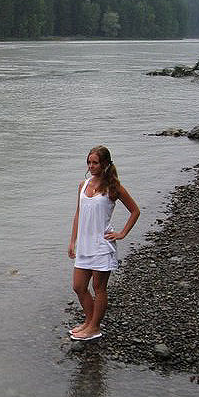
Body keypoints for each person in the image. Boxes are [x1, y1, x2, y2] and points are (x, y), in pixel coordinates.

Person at [67, 145, 140, 341]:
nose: (91, 166)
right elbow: (78, 214)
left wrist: (122, 233)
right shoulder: (83, 185)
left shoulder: (113, 188)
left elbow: (135, 211)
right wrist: (72, 241)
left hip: (102, 245)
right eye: (89, 162)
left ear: (105, 164)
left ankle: (94, 327)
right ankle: (89, 321)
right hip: (84, 245)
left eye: (95, 163)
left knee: (99, 288)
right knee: (79, 286)